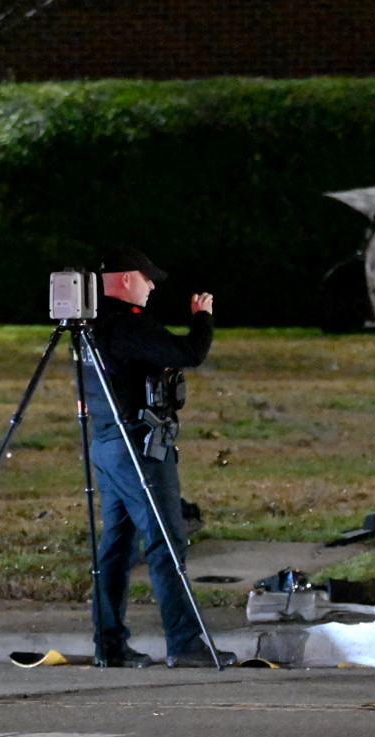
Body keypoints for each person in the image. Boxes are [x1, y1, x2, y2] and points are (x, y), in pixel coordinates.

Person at [81, 246, 236, 669]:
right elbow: (188, 353)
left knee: (116, 546)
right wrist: (202, 317)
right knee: (167, 542)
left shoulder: (89, 327)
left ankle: (109, 645)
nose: (151, 288)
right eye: (148, 279)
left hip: (108, 445)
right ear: (128, 279)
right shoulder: (127, 326)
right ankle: (185, 643)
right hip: (139, 448)